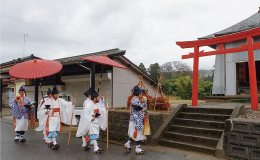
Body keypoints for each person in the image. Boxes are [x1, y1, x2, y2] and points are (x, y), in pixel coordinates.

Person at [35, 85, 77, 149]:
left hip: (57, 118)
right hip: (51, 118)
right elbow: (42, 108)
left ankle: (52, 140)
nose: (57, 96)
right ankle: (54, 142)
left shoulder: (60, 100)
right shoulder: (48, 101)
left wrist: (71, 104)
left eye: (58, 94)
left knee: (55, 130)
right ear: (53, 95)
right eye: (55, 94)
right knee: (52, 130)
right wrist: (45, 111)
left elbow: (66, 104)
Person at [76, 89, 109, 153]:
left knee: (93, 134)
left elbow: (100, 111)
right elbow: (86, 114)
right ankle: (96, 147)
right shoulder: (88, 105)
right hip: (90, 122)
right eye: (98, 97)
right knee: (93, 134)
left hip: (96, 122)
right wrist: (91, 118)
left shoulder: (97, 105)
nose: (99, 98)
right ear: (94, 98)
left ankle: (85, 144)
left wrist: (105, 109)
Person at [124, 86, 147, 154]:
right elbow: (137, 109)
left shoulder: (133, 99)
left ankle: (128, 144)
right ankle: (137, 148)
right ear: (139, 93)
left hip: (133, 120)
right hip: (136, 121)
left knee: (134, 134)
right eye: (141, 93)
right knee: (138, 133)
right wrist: (143, 109)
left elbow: (135, 108)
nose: (141, 95)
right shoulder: (136, 100)